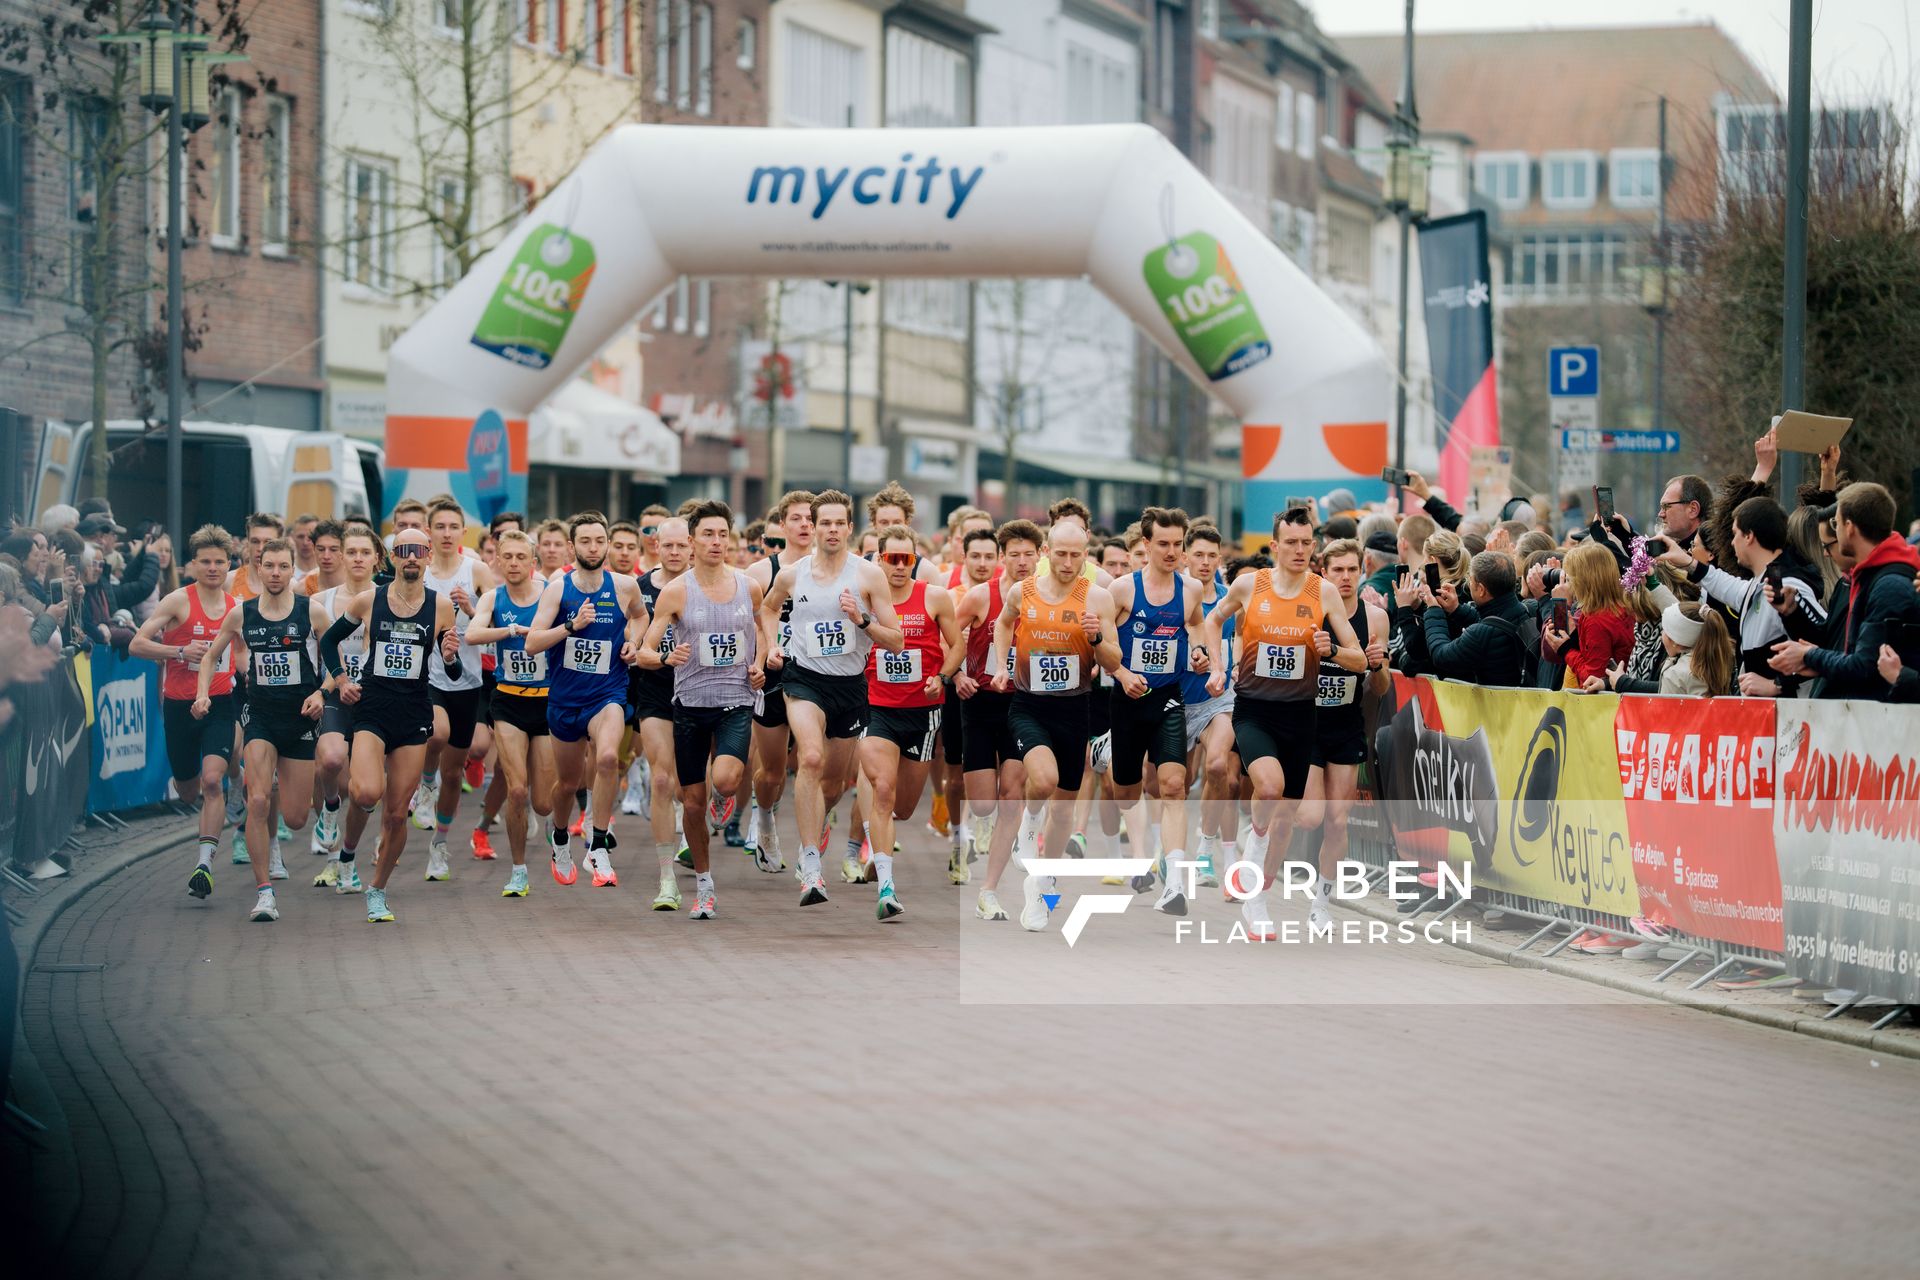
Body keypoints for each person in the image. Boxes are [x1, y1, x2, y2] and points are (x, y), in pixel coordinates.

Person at [1204, 507, 1367, 941]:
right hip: (1255, 709)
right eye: (1290, 542)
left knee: (1287, 817)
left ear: (1314, 546)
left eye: (1305, 542)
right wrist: (1217, 667)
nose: (1299, 549)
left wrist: (1330, 650)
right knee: (1270, 789)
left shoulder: (1324, 592)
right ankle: (1252, 870)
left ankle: (1258, 889)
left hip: (1302, 715)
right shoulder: (1248, 584)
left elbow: (1359, 659)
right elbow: (1212, 619)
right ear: (1274, 546)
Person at [758, 490, 905, 906]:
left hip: (850, 686)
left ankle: (815, 820)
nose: (832, 529)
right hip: (803, 679)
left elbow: (896, 641)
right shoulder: (792, 574)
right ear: (815, 526)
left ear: (851, 528)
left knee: (835, 783)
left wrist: (861, 619)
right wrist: (772, 645)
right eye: (825, 522)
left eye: (840, 523)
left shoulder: (868, 576)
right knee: (810, 758)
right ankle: (810, 866)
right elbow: (768, 609)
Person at [317, 528, 462, 923]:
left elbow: (453, 671)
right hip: (373, 709)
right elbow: (329, 642)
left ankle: (377, 891)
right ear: (392, 558)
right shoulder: (370, 600)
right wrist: (342, 680)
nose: (411, 557)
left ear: (429, 556)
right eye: (403, 551)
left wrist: (450, 657)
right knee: (366, 792)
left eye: (418, 551)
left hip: (414, 713)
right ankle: (347, 849)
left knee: (397, 815)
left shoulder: (442, 607)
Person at [987, 520, 1123, 933]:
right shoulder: (1022, 591)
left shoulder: (1097, 598)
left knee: (1063, 808)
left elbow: (1114, 662)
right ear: (1046, 552)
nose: (1067, 562)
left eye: (1075, 555)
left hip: (1074, 708)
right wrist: (1001, 664)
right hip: (1029, 705)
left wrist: (1097, 639)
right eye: (1059, 553)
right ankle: (1029, 827)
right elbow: (1004, 623)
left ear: (1087, 557)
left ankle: (1042, 883)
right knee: (1042, 780)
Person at [637, 501, 764, 920]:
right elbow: (645, 651)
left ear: (731, 539)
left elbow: (761, 632)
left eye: (722, 534)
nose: (716, 542)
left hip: (736, 701)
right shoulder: (676, 591)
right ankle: (705, 888)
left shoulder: (749, 586)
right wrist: (666, 658)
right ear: (691, 542)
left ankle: (721, 800)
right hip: (690, 705)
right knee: (690, 803)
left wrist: (761, 664)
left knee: (726, 781)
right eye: (707, 535)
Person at [192, 538, 330, 921]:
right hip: (261, 716)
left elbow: (338, 670)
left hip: (301, 717)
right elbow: (209, 657)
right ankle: (264, 892)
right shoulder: (242, 615)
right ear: (257, 566)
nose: (274, 573)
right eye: (268, 566)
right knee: (257, 801)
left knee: (297, 817)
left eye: (282, 567)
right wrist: (203, 693)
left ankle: (317, 791)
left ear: (291, 570)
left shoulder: (312, 613)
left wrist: (321, 694)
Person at [525, 511, 648, 888]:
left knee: (608, 757)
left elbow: (641, 618)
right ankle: (560, 839)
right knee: (567, 783)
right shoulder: (558, 589)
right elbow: (532, 644)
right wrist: (570, 626)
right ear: (572, 546)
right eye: (585, 541)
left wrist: (634, 642)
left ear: (607, 544)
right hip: (564, 699)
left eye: (599, 541)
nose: (593, 548)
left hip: (608, 692)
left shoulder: (626, 586)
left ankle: (598, 844)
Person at [1104, 507, 1211, 918]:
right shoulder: (1122, 590)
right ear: (1145, 545)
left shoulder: (1191, 590)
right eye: (1163, 544)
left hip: (1168, 696)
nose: (1172, 552)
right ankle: (1107, 754)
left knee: (1173, 785)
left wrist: (1200, 654)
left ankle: (1175, 883)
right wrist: (1121, 672)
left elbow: (1197, 626)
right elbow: (1104, 646)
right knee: (1126, 790)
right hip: (1127, 700)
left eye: (1178, 545)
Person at [854, 524, 961, 920]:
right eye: (891, 558)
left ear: (915, 561)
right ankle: (886, 886)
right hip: (876, 708)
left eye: (907, 559)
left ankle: (880, 853)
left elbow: (958, 645)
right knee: (882, 789)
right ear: (878, 560)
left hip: (923, 713)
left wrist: (943, 677)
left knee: (902, 807)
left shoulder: (934, 597)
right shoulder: (862, 599)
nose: (900, 566)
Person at [129, 526, 240, 901]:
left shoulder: (235, 608)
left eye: (219, 562)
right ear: (192, 564)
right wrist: (178, 652)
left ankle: (204, 864)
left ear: (229, 564)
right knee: (189, 791)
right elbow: (136, 644)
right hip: (179, 705)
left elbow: (241, 656)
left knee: (212, 782)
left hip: (220, 703)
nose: (212, 568)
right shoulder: (178, 601)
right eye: (205, 561)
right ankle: (214, 808)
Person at [1294, 538, 1390, 931]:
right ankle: (1266, 822)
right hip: (1308, 725)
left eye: (1353, 569)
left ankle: (1322, 901)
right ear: (1323, 573)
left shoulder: (1376, 618)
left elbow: (1380, 688)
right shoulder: (1309, 613)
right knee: (1310, 816)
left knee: (1337, 819)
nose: (1347, 577)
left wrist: (1377, 665)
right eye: (1338, 570)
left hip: (1348, 726)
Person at [462, 530, 555, 898]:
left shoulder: (551, 594)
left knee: (543, 801)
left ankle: (553, 822)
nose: (514, 563)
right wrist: (513, 629)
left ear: (533, 562)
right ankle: (518, 871)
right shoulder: (493, 597)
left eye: (521, 557)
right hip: (509, 701)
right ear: (497, 561)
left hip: (548, 701)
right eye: (508, 557)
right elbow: (472, 634)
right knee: (517, 790)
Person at [1657, 495, 1823, 697]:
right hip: (1768, 718)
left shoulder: (1790, 586)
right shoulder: (1760, 583)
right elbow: (1726, 585)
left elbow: (1827, 650)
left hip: (1793, 720)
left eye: (1735, 534)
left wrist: (1777, 685)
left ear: (1749, 536)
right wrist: (1686, 561)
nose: (1732, 543)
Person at [957, 520, 1040, 922]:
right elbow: (946, 638)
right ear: (1002, 557)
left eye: (1029, 554)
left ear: (1038, 556)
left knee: (1011, 796)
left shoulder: (1047, 597)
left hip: (1022, 706)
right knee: (984, 803)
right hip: (980, 702)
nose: (1022, 562)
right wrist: (956, 675)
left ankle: (988, 890)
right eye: (1015, 554)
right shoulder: (979, 596)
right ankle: (980, 828)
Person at [1767, 482, 1920, 698]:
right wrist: (1793, 614)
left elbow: (1864, 667)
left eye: (1836, 524)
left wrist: (1810, 656)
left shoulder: (1888, 586)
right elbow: (1835, 644)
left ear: (1849, 528)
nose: (1828, 551)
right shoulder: (1862, 578)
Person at [742, 491, 815, 873]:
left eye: (811, 518)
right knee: (771, 771)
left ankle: (809, 851)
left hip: (818, 677)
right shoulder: (760, 574)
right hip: (772, 675)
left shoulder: (834, 571)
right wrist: (762, 655)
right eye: (797, 518)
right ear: (782, 524)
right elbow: (747, 626)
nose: (805, 524)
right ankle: (765, 816)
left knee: (812, 763)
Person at [310, 526, 383, 890]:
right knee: (332, 760)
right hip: (335, 691)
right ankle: (329, 806)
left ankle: (346, 860)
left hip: (375, 698)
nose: (356, 558)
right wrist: (333, 684)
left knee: (365, 788)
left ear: (375, 558)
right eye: (350, 551)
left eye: (363, 552)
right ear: (340, 557)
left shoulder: (388, 599)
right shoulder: (319, 600)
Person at [629, 517, 694, 907]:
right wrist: (635, 646)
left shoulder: (708, 586)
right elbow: (633, 633)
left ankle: (692, 830)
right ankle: (666, 878)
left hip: (700, 694)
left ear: (690, 545)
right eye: (664, 545)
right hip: (654, 692)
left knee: (695, 787)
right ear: (656, 546)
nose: (672, 552)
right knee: (661, 781)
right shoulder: (639, 588)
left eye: (678, 546)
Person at [935, 518, 998, 876]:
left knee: (1004, 772)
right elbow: (943, 639)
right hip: (961, 693)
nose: (982, 563)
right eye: (976, 556)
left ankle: (989, 829)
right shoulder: (952, 595)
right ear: (964, 556)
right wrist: (956, 675)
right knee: (956, 774)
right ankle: (959, 840)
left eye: (989, 556)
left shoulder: (1009, 592)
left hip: (1001, 694)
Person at [1180, 524, 1237, 889]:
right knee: (1176, 784)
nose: (1204, 562)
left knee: (1218, 767)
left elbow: (1243, 644)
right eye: (1197, 555)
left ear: (1220, 558)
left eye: (1211, 556)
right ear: (1185, 556)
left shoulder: (1232, 599)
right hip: (1175, 701)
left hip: (1218, 699)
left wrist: (1223, 668)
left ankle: (1205, 849)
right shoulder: (1173, 595)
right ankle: (1164, 850)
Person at [1421, 550, 1534, 687]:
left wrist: (1434, 611)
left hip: (1496, 706)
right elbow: (1493, 621)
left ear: (1481, 589)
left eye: (1470, 580)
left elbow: (1441, 655)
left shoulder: (1479, 635)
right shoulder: (1526, 610)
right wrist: (1456, 609)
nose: (1468, 584)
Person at [1544, 541, 1639, 689]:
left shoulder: (1596, 618)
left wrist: (1566, 650)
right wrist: (1575, 637)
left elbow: (1592, 679)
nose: (1567, 584)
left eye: (1570, 578)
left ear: (1583, 581)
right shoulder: (1626, 607)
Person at [1593, 601, 1734, 697]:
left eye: (1664, 631)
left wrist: (1623, 683)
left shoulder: (1675, 674)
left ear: (1675, 640)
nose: (1661, 635)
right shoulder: (1718, 659)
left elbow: (1663, 713)